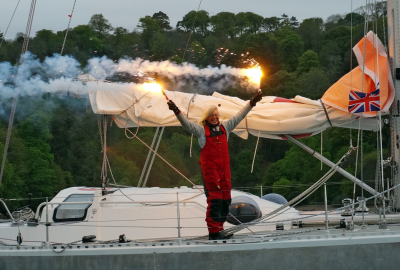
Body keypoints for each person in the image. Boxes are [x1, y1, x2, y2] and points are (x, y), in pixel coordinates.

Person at [167, 91, 262, 240]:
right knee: (215, 202)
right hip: (212, 175)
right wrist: (176, 111)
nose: (214, 117)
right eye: (211, 115)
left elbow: (240, 116)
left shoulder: (226, 128)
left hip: (224, 173)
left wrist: (252, 102)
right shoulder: (202, 132)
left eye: (216, 114)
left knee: (226, 202)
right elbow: (187, 125)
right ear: (207, 117)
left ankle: (219, 229)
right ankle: (213, 232)